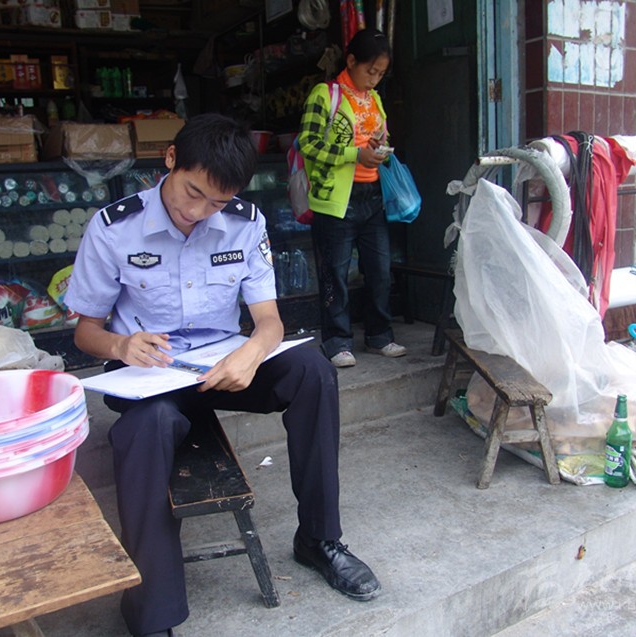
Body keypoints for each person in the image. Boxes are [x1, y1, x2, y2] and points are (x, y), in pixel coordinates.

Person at [64, 114, 381, 637]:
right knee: (148, 428)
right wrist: (121, 345)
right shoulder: (115, 227)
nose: (197, 212)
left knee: (313, 371)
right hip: (150, 376)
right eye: (192, 193)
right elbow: (85, 332)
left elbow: (269, 321)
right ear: (170, 160)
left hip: (220, 366)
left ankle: (319, 539)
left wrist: (252, 353)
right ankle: (153, 610)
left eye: (215, 202)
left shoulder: (244, 221)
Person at [297, 27, 406, 368]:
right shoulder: (325, 94)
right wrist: (354, 154)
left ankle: (379, 335)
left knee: (380, 271)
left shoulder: (374, 99)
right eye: (370, 71)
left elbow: (378, 137)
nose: (374, 79)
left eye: (380, 74)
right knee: (335, 274)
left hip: (372, 195)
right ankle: (337, 341)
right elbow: (308, 144)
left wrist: (378, 149)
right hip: (335, 199)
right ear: (351, 61)